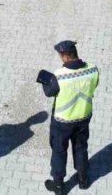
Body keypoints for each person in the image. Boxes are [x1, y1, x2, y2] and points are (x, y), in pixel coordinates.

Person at [39, 40, 99, 194]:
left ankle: (58, 185)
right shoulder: (93, 69)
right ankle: (83, 179)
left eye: (60, 55)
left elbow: (49, 92)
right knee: (81, 147)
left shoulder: (58, 76)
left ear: (65, 57)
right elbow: (94, 85)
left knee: (59, 150)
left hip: (63, 122)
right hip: (84, 117)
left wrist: (44, 82)